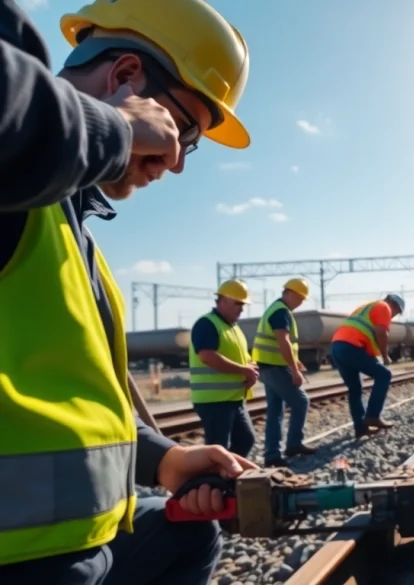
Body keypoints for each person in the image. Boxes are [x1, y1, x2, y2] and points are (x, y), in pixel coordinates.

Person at [0, 0, 254, 583]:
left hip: (68, 543)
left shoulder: (68, 228)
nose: (176, 161)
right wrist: (113, 127)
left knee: (188, 533)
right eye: (182, 130)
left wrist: (167, 459)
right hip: (29, 560)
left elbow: (70, 407)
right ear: (125, 77)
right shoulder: (19, 197)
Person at [189, 279, 260, 458]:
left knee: (245, 440)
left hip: (234, 398)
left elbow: (242, 358)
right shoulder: (206, 324)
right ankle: (215, 475)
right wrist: (243, 370)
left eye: (243, 304)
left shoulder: (233, 328)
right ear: (223, 300)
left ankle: (227, 472)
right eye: (238, 303)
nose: (241, 308)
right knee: (218, 448)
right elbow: (207, 356)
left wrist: (251, 369)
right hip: (214, 401)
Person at [252, 278, 317, 467]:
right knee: (301, 401)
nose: (301, 302)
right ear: (290, 293)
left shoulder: (276, 309)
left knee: (275, 410)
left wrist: (295, 361)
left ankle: (272, 455)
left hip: (268, 366)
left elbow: (279, 343)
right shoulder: (281, 312)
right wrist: (295, 371)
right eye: (300, 298)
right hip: (274, 367)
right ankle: (293, 445)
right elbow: (283, 341)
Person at [330, 293, 406, 438]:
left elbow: (362, 331)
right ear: (393, 304)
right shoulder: (384, 307)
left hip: (337, 347)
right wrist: (385, 356)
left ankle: (360, 428)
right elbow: (381, 333)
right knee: (384, 375)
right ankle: (373, 415)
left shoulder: (366, 307)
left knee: (355, 388)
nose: (393, 316)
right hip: (351, 346)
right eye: (397, 312)